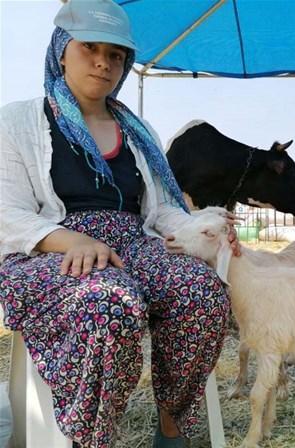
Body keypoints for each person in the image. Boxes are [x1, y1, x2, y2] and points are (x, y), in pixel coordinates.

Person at [0, 1, 239, 447]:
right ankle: (93, 435)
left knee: (202, 295)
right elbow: (6, 211)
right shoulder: (17, 121)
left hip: (133, 243)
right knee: (109, 304)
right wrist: (67, 237)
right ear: (61, 51)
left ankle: (171, 426)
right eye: (89, 47)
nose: (102, 62)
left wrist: (203, 226)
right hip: (48, 251)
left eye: (115, 55)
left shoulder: (137, 131)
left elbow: (162, 208)